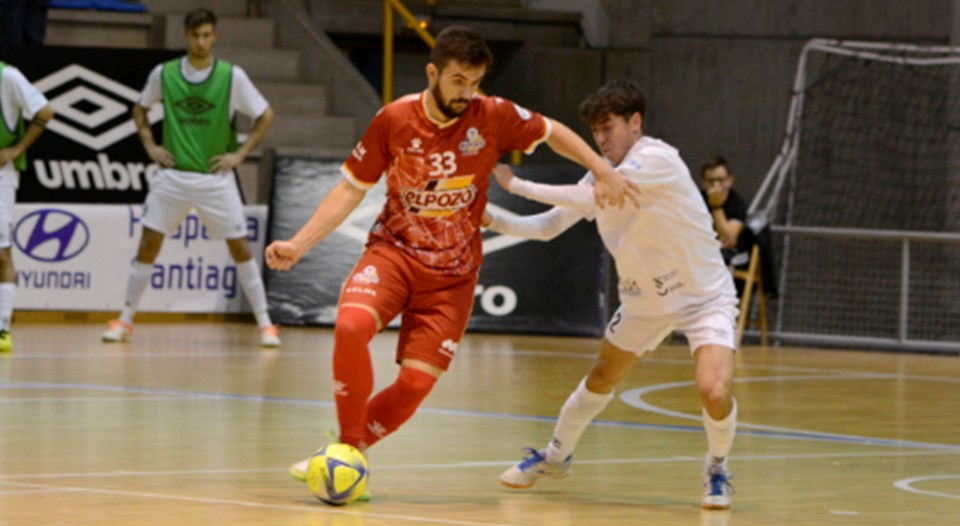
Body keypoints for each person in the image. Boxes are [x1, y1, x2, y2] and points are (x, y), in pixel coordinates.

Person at [264, 26, 638, 496]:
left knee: (415, 387)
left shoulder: (493, 114)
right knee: (351, 327)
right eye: (458, 80)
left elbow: (553, 131)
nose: (468, 92)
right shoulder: (394, 118)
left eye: (476, 82)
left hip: (452, 278)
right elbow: (348, 189)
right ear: (433, 72)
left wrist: (602, 170)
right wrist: (299, 244)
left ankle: (342, 452)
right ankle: (349, 445)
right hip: (393, 253)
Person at [487, 79, 740, 510]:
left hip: (703, 296)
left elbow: (602, 192)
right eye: (595, 132)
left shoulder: (656, 159)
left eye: (608, 128)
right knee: (601, 377)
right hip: (644, 302)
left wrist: (517, 185)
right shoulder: (596, 174)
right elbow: (547, 227)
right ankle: (555, 455)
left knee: (713, 391)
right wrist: (489, 217)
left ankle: (717, 466)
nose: (600, 140)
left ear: (635, 122)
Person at [101, 8, 280, 347]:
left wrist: (240, 154)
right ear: (186, 36)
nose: (201, 42)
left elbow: (265, 115)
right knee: (148, 244)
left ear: (215, 36)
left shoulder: (231, 76)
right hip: (172, 177)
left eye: (207, 35)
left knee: (240, 246)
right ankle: (124, 320)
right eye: (196, 35)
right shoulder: (164, 74)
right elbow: (140, 109)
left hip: (215, 177)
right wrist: (151, 145)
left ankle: (265, 324)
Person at [0, 59, 54, 352]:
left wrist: (15, 149)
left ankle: (2, 327)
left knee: (1, 253)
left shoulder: (8, 76)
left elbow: (45, 111)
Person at [700, 156, 750, 268]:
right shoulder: (696, 200)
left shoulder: (737, 203)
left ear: (730, 180)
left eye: (720, 180)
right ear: (703, 182)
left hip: (730, 255)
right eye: (710, 181)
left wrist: (716, 207)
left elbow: (728, 239)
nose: (716, 185)